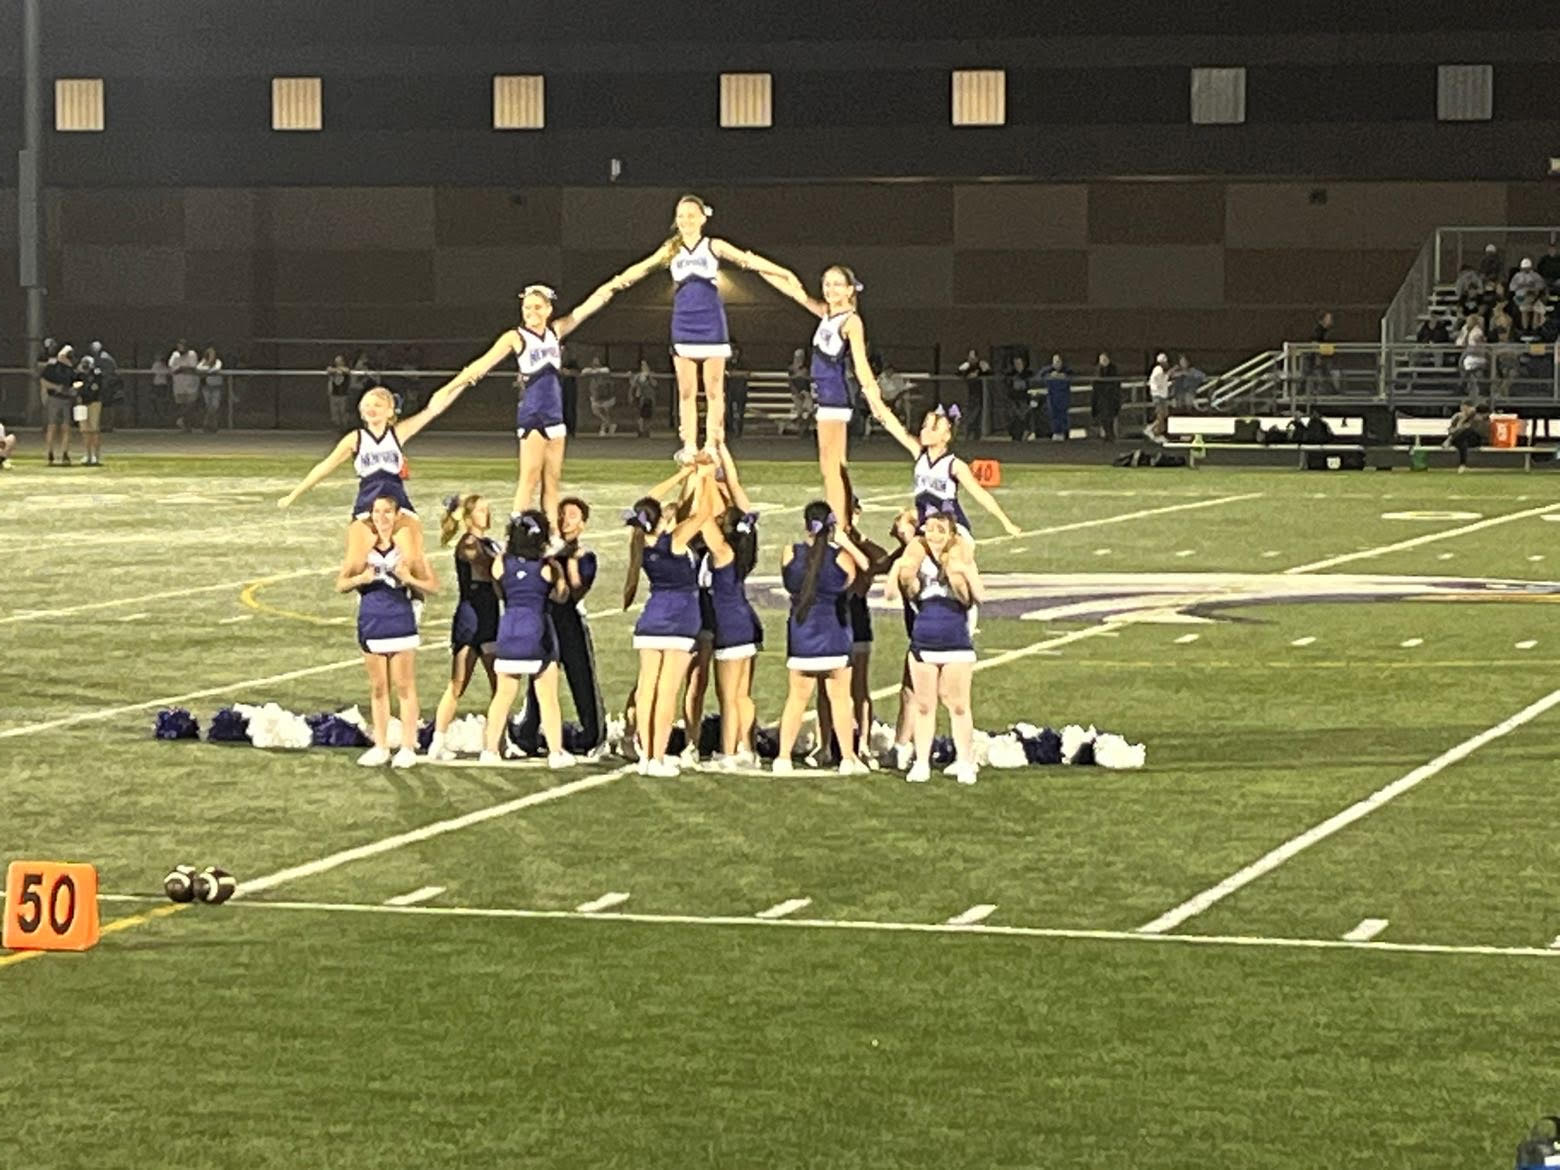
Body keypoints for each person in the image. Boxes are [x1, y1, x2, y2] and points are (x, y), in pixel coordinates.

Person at [610, 194, 791, 460]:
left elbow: (747, 260)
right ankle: (690, 445)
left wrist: (782, 272)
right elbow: (642, 267)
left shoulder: (713, 245)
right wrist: (617, 282)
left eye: (691, 215)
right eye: (681, 216)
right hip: (684, 321)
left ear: (703, 218)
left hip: (711, 322)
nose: (686, 221)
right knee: (686, 390)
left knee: (714, 389)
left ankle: (712, 444)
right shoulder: (671, 249)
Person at [444, 280, 618, 526]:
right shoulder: (515, 337)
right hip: (533, 414)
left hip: (555, 415)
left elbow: (585, 309)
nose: (531, 312)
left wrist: (613, 286)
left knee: (552, 481)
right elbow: (481, 364)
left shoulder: (555, 331)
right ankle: (516, 528)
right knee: (530, 476)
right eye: (527, 308)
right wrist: (450, 387)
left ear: (548, 309)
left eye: (537, 307)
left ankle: (552, 534)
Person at [278, 381, 470, 587]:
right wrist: (295, 494)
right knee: (355, 562)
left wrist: (464, 380)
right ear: (361, 412)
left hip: (398, 502)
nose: (371, 409)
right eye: (367, 405)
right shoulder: (355, 439)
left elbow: (432, 409)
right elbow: (325, 466)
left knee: (413, 557)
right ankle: (367, 595)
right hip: (367, 505)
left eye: (378, 405)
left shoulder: (397, 433)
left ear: (390, 411)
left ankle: (415, 598)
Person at [759, 263, 885, 526]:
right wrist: (759, 269)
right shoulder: (827, 313)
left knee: (830, 467)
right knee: (833, 464)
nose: (829, 289)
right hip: (824, 396)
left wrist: (872, 394)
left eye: (837, 284)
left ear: (850, 290)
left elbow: (861, 362)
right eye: (826, 283)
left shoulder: (851, 321)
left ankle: (840, 522)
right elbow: (797, 293)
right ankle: (846, 511)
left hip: (834, 397)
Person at [335, 493, 439, 769]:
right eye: (376, 513)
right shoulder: (362, 549)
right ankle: (380, 745)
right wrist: (362, 578)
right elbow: (341, 584)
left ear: (396, 517)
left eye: (387, 513)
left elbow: (432, 585)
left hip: (400, 619)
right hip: (371, 620)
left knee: (404, 686)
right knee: (379, 687)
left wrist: (408, 578)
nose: (381, 518)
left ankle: (407, 746)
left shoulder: (408, 548)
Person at [623, 464, 712, 776]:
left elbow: (646, 501)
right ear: (660, 518)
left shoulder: (640, 543)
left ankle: (645, 756)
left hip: (650, 621)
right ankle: (657, 757)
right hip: (679, 621)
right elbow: (704, 514)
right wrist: (702, 479)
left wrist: (683, 474)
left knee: (647, 689)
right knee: (667, 692)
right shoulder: (674, 540)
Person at [775, 502, 871, 775]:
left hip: (801, 633)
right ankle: (848, 759)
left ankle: (783, 757)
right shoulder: (840, 557)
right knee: (840, 700)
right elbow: (864, 569)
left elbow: (792, 582)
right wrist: (845, 542)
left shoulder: (789, 553)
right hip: (834, 634)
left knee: (796, 699)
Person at [480, 510, 576, 769]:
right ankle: (556, 752)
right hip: (537, 629)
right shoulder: (548, 567)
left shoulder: (500, 562)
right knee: (548, 697)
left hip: (509, 629)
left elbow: (500, 590)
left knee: (503, 695)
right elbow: (562, 596)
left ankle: (490, 750)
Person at [897, 507, 984, 784]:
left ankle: (965, 761)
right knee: (924, 705)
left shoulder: (962, 558)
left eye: (940, 530)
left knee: (958, 705)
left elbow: (976, 597)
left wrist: (959, 575)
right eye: (929, 529)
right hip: (924, 639)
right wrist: (907, 579)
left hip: (956, 640)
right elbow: (909, 594)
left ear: (951, 534)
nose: (933, 535)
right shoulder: (916, 558)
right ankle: (921, 761)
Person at [514, 495, 606, 757]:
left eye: (573, 516)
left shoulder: (586, 557)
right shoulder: (544, 552)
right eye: (563, 514)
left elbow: (576, 590)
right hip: (544, 620)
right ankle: (528, 732)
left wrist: (568, 558)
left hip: (571, 622)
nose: (566, 520)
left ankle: (593, 735)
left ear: (583, 525)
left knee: (582, 678)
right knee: (538, 680)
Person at [857, 399, 1022, 540]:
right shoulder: (919, 453)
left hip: (951, 527)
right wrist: (875, 401)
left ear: (946, 436)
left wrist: (1006, 522)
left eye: (933, 428)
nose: (925, 431)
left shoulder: (954, 465)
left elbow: (980, 494)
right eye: (924, 426)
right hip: (927, 526)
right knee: (903, 524)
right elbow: (893, 426)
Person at [696, 445, 763, 768]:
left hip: (730, 627)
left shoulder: (722, 552)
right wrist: (722, 452)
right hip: (745, 622)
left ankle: (727, 752)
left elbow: (702, 519)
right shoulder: (743, 549)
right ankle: (746, 748)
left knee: (729, 694)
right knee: (742, 694)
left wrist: (705, 474)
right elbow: (736, 495)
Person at [427, 494, 501, 762]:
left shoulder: (489, 543)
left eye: (487, 508)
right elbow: (487, 569)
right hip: (471, 618)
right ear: (469, 517)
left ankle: (497, 741)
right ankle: (437, 740)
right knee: (458, 683)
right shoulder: (469, 544)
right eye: (481, 510)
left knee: (500, 684)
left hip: (491, 616)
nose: (486, 513)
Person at [39, 344, 79, 466]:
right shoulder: (52, 367)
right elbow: (43, 381)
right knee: (52, 427)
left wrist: (73, 389)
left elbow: (77, 383)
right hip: (54, 399)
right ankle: (50, 453)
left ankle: (65, 453)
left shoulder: (71, 370)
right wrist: (57, 387)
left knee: (66, 427)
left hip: (66, 400)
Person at [1442, 400, 1491, 473]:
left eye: (1467, 408)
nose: (1465, 410)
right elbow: (1450, 430)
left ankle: (1449, 441)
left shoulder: (1479, 419)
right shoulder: (1458, 416)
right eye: (1464, 408)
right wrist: (1460, 424)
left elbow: (1480, 432)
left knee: (1467, 430)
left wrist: (1452, 435)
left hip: (1474, 440)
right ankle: (1462, 465)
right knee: (1463, 441)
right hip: (1461, 440)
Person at [75, 353, 104, 466]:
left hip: (94, 403)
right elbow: (73, 386)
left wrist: (82, 386)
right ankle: (87, 454)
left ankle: (96, 455)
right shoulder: (78, 374)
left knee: (94, 429)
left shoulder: (96, 374)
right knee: (84, 430)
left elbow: (94, 388)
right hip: (81, 403)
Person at [1510, 259, 1549, 331]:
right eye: (1524, 268)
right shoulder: (1517, 276)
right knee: (1524, 309)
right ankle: (1525, 329)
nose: (1525, 270)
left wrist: (1532, 288)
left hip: (1533, 297)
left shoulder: (1535, 276)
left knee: (1537, 309)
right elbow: (1512, 287)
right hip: (1521, 298)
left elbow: (1541, 285)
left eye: (1527, 268)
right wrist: (1521, 285)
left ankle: (1534, 330)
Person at [170, 340, 200, 431]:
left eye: (183, 346)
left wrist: (181, 368)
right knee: (181, 405)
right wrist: (181, 369)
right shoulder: (175, 355)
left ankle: (185, 422)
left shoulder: (192, 354)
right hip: (178, 385)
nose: (181, 348)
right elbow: (172, 368)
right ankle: (186, 426)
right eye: (179, 346)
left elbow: (192, 368)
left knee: (190, 405)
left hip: (191, 385)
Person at [583, 352, 616, 435]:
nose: (595, 363)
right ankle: (610, 424)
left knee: (606, 411)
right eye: (594, 361)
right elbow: (584, 371)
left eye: (597, 361)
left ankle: (604, 429)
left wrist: (594, 371)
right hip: (596, 396)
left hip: (606, 396)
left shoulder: (604, 370)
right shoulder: (590, 370)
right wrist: (592, 371)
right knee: (596, 411)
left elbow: (604, 371)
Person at [1093, 352, 1121, 441]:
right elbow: (1096, 384)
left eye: (1105, 359)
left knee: (1111, 416)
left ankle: (1110, 434)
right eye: (1102, 360)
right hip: (1101, 397)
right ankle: (1106, 434)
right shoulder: (1097, 370)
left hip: (1111, 396)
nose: (1103, 361)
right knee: (1103, 417)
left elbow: (1116, 383)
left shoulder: (1113, 369)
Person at [1042, 353, 1072, 441]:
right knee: (1053, 414)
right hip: (1052, 397)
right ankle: (1055, 432)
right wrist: (1050, 375)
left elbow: (1073, 375)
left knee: (1063, 415)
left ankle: (1064, 433)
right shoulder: (1047, 371)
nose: (1057, 363)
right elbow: (1040, 375)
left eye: (1058, 361)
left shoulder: (1067, 370)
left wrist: (1064, 376)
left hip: (1063, 397)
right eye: (1055, 362)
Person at [1144, 352, 1172, 443]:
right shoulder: (1158, 370)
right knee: (1161, 415)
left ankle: (1157, 432)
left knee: (1164, 415)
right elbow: (1158, 381)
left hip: (1161, 396)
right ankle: (1151, 430)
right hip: (1159, 396)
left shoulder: (1160, 371)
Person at [1005, 355, 1033, 441]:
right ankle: (1015, 436)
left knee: (1025, 417)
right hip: (1014, 400)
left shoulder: (1029, 374)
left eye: (1019, 363)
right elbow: (1007, 388)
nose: (1018, 365)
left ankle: (1026, 433)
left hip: (1025, 400)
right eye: (1016, 363)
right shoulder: (1010, 375)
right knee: (1014, 418)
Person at [197, 346, 224, 433]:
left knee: (214, 407)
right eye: (209, 353)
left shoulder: (218, 362)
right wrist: (207, 365)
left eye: (213, 353)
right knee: (208, 406)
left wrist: (207, 370)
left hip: (216, 387)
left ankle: (210, 425)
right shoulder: (203, 361)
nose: (211, 355)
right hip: (206, 387)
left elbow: (216, 369)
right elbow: (198, 368)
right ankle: (210, 426)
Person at [629, 360, 657, 438]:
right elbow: (633, 386)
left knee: (649, 416)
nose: (644, 367)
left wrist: (649, 377)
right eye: (642, 365)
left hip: (649, 397)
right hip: (641, 397)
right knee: (641, 415)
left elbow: (655, 384)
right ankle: (641, 430)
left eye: (645, 365)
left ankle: (647, 430)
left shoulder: (651, 375)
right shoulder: (638, 376)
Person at [326, 353, 352, 431]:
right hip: (334, 394)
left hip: (343, 394)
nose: (337, 362)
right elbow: (329, 370)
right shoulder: (333, 371)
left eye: (339, 361)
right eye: (336, 361)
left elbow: (347, 371)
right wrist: (336, 371)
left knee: (343, 412)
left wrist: (340, 370)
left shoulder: (346, 370)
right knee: (334, 414)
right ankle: (337, 428)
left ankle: (345, 428)